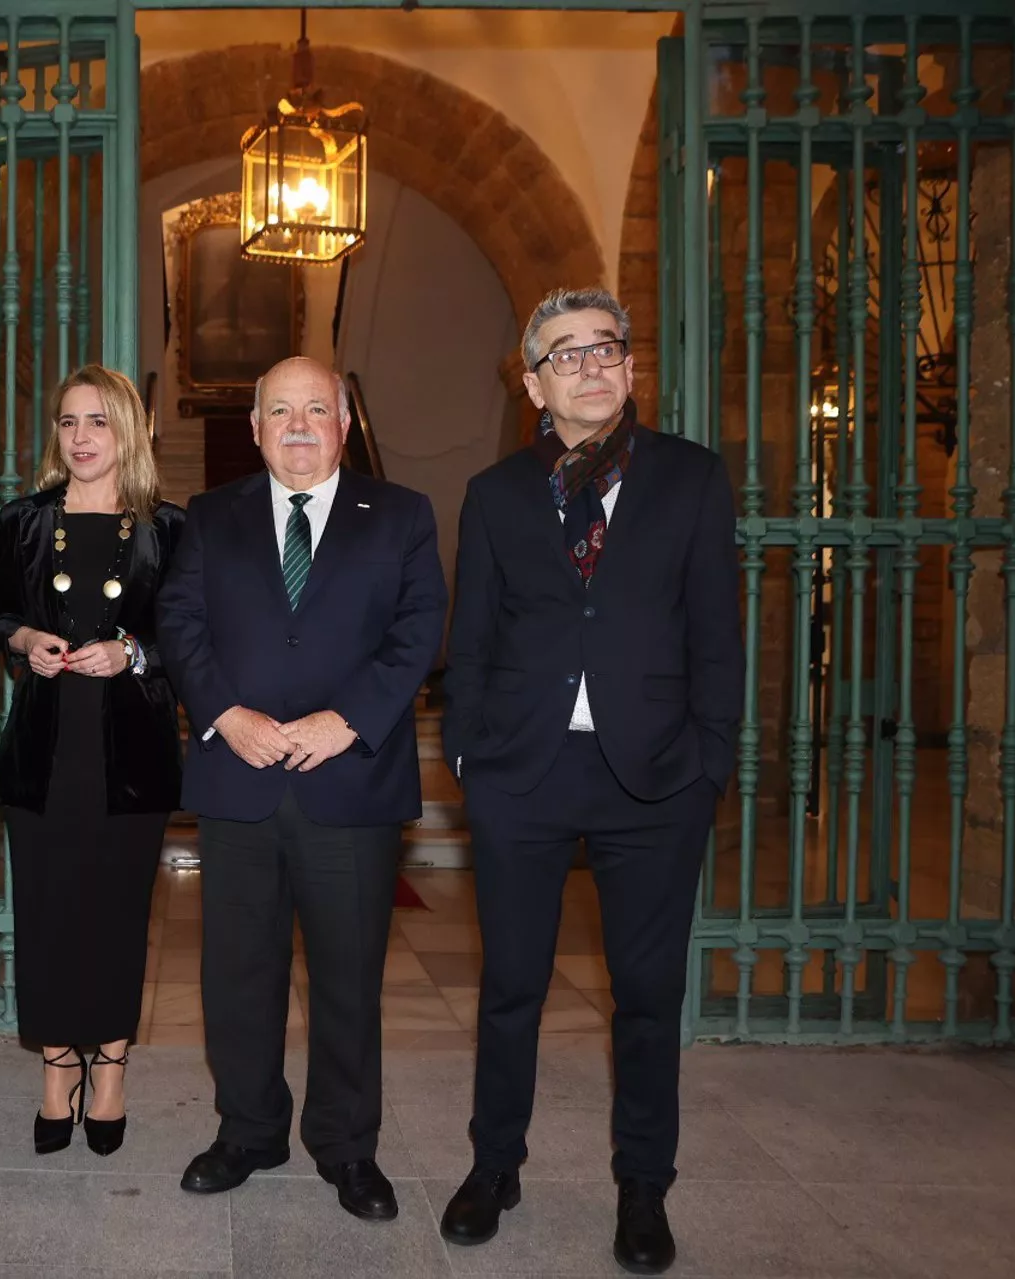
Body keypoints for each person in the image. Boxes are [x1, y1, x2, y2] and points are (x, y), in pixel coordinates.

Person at [437, 287, 742, 1275]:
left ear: (630, 366)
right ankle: (495, 1166)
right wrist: (472, 759)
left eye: (607, 348)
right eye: (567, 355)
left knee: (647, 993)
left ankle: (643, 1185)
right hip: (524, 772)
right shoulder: (495, 494)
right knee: (511, 987)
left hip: (655, 779)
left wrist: (708, 765)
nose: (593, 365)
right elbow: (471, 640)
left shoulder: (692, 481)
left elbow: (718, 639)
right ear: (533, 382)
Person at [157, 356, 449, 1222]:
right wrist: (224, 714)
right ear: (253, 428)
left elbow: (419, 626)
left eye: (315, 409)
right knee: (238, 974)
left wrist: (347, 720)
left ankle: (348, 1146)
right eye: (279, 410)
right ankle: (247, 1130)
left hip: (349, 781)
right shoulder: (211, 517)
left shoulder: (399, 516)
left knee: (349, 977)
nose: (296, 425)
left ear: (344, 423)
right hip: (238, 779)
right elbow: (179, 622)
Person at [0, 365, 185, 1157]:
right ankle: (58, 1066)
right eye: (68, 422)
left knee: (115, 917)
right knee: (47, 913)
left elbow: (189, 639)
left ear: (128, 431)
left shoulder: (167, 528)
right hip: (44, 749)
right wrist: (27, 640)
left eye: (98, 421)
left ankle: (110, 1066)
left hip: (130, 753)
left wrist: (132, 651)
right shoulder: (23, 521)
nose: (81, 437)